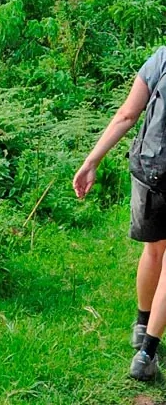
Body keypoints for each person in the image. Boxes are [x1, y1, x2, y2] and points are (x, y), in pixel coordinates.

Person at [73, 46, 166, 381]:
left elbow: (127, 115)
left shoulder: (163, 56)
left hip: (150, 168)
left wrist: (91, 160)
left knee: (153, 250)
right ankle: (146, 355)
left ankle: (141, 326)